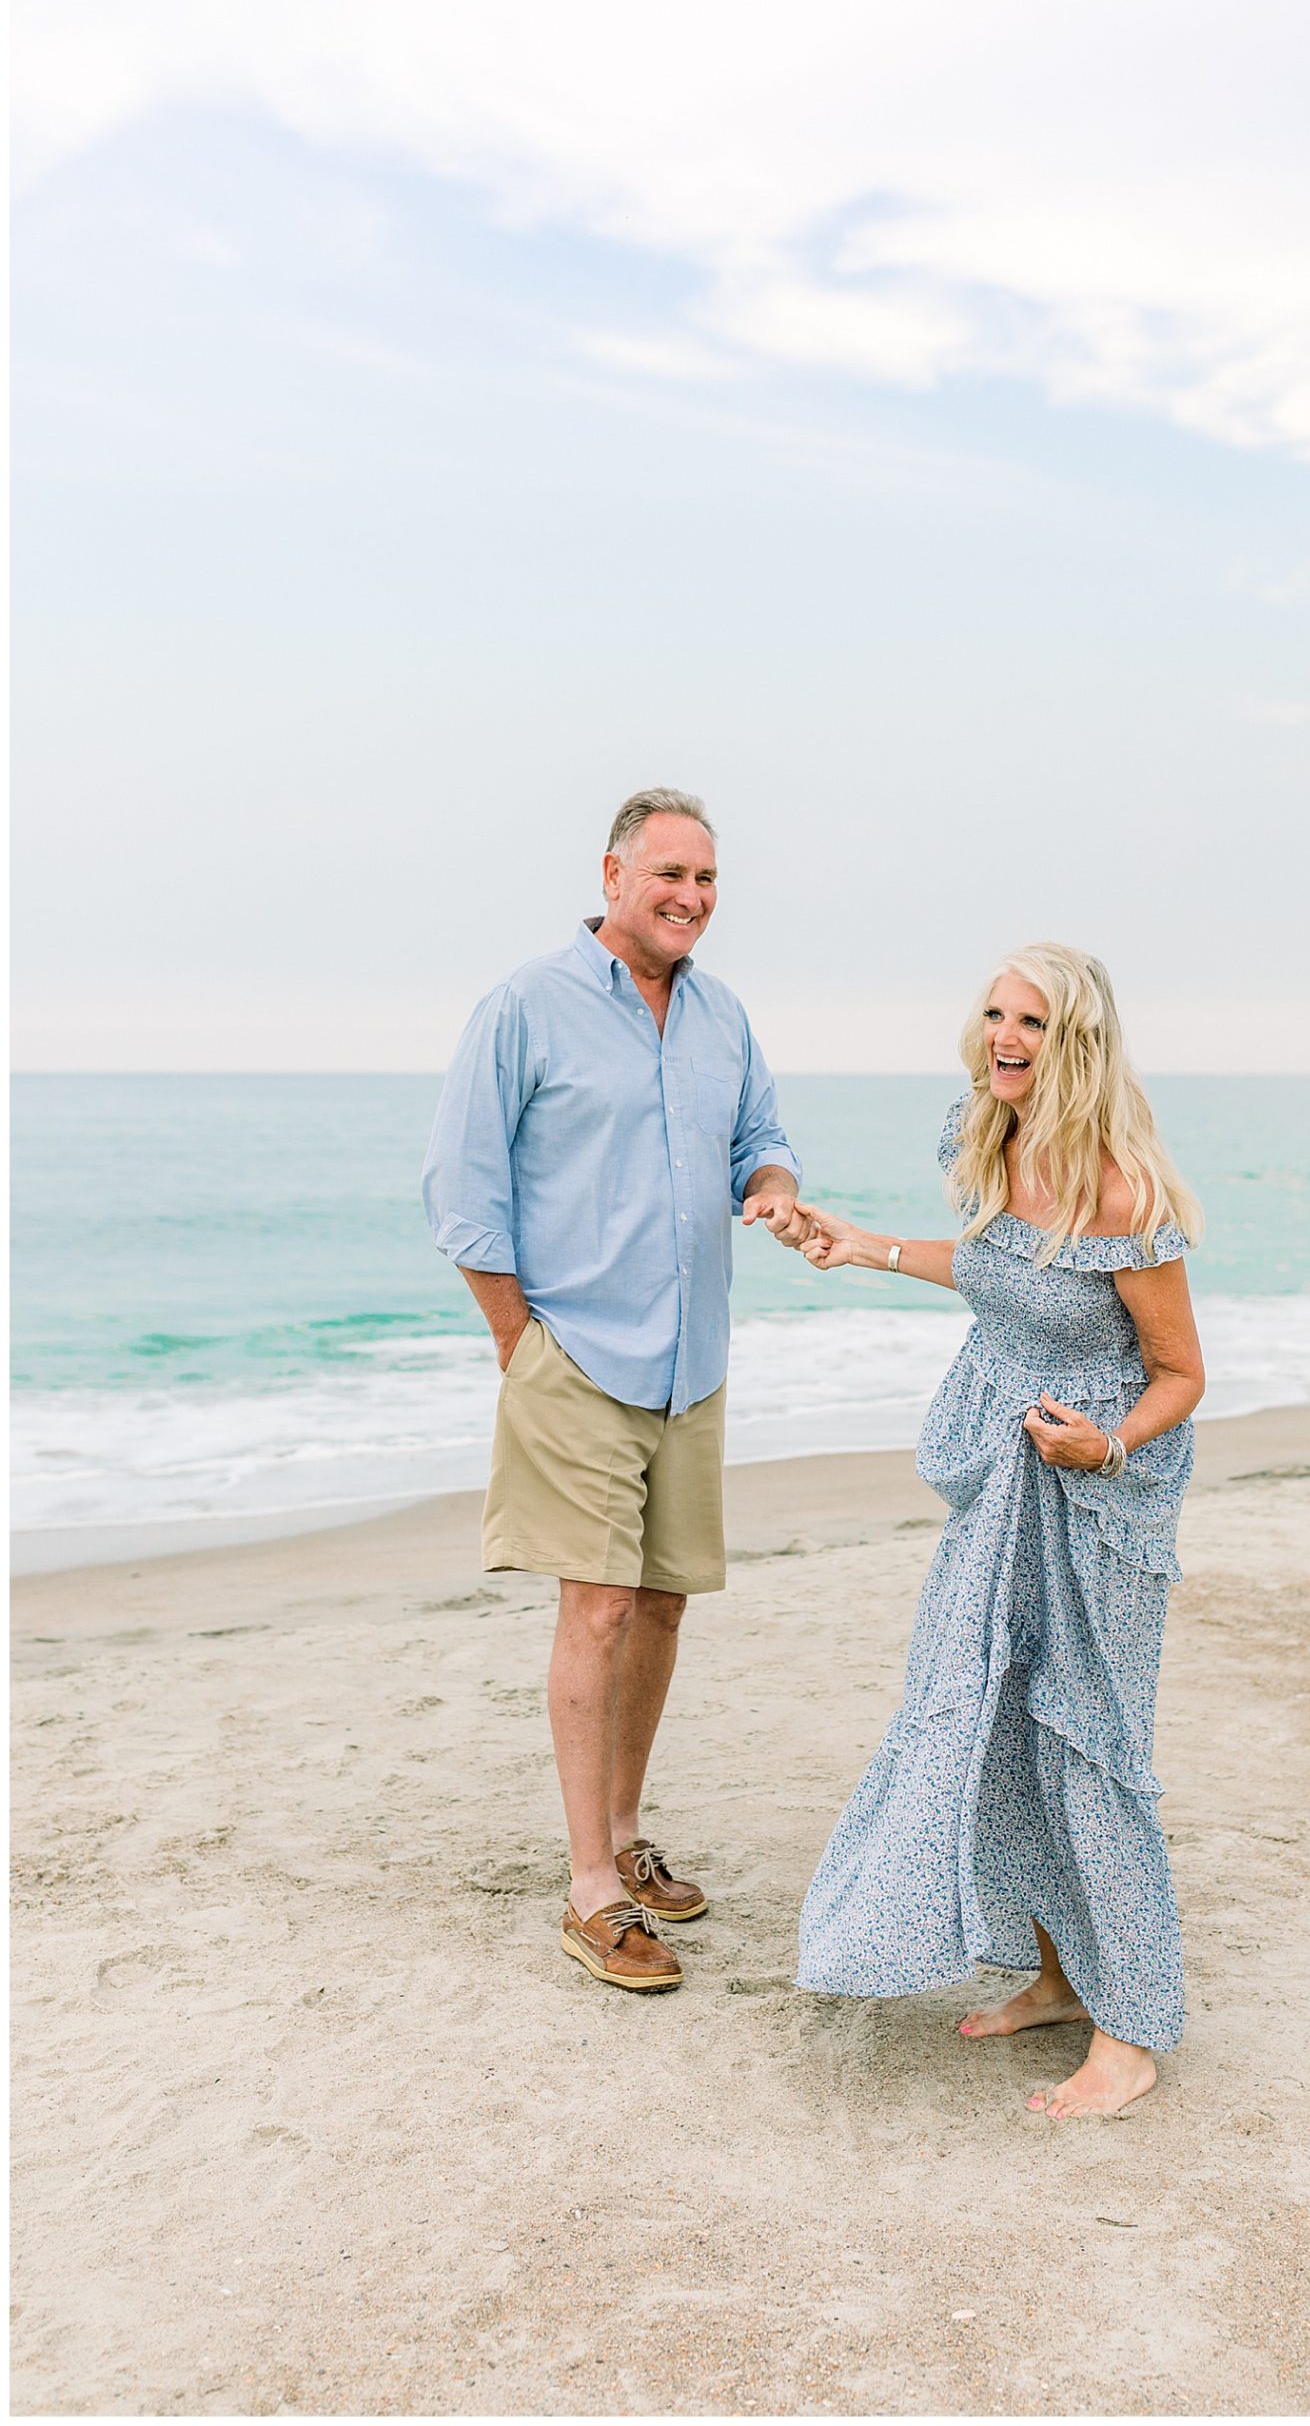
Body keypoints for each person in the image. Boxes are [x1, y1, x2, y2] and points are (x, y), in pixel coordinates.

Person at [794, 942, 1205, 2118]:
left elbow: (1181, 1372)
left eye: (1031, 1021)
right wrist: (859, 1244)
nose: (1003, 1037)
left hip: (1099, 1499)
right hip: (1000, 1478)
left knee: (1090, 1742)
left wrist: (1107, 1444)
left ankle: (1133, 2030)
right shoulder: (987, 1133)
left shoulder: (1125, 1190)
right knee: (994, 1717)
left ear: (1078, 1043)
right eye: (992, 1014)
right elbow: (992, 1273)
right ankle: (1059, 1976)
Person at [422, 787, 807, 1995]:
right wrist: (519, 1345)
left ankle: (629, 1838)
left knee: (662, 1604)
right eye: (669, 876)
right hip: (576, 1357)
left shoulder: (722, 1015)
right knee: (593, 1605)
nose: (690, 898)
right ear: (613, 874)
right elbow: (461, 1190)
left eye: (706, 881)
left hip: (693, 1363)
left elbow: (762, 1136)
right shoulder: (524, 1007)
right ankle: (592, 1888)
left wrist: (776, 1185)